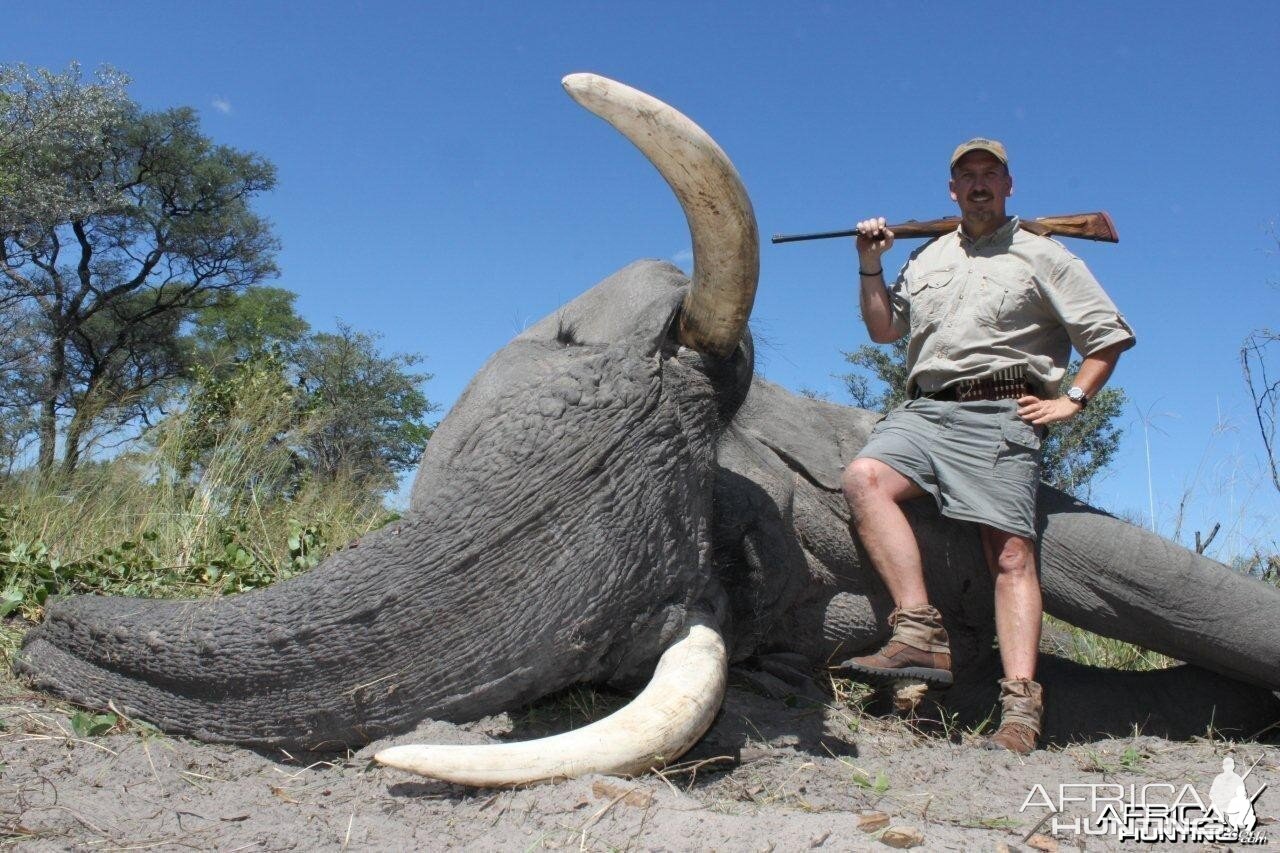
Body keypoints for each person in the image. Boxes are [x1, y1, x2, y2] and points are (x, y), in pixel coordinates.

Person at [835, 138, 1136, 753]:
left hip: (1002, 411)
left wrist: (1070, 401)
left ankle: (1021, 709)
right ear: (951, 190)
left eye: (988, 175)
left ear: (1008, 185)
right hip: (924, 410)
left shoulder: (1043, 254)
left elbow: (1106, 337)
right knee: (864, 477)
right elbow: (884, 328)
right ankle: (917, 629)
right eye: (966, 176)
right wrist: (871, 263)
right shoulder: (926, 255)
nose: (977, 185)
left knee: (1010, 558)